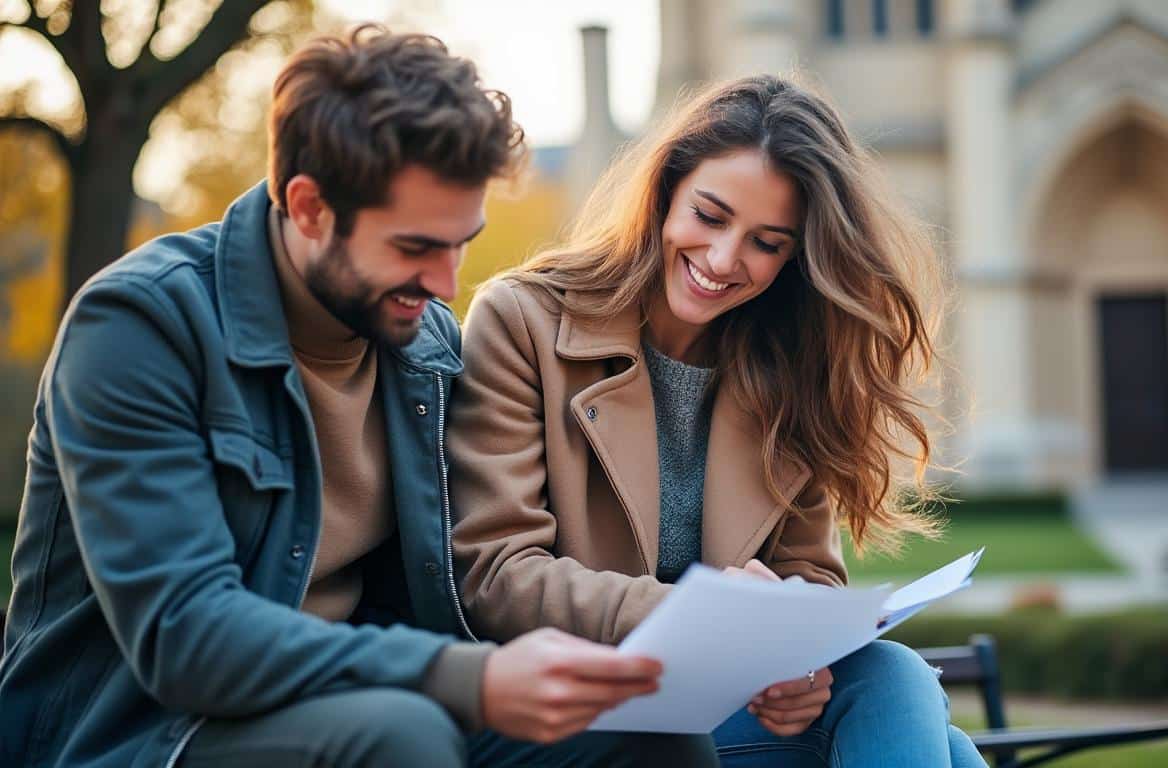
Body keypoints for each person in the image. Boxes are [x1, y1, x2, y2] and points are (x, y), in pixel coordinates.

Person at [0, 25, 719, 768]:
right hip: (148, 733)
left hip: (368, 701)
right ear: (309, 207)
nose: (447, 285)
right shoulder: (141, 327)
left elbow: (457, 584)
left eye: (460, 242)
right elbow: (186, 635)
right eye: (414, 247)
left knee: (647, 727)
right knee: (399, 736)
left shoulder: (427, 346)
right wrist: (466, 678)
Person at [446, 75, 990, 767]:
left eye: (766, 242)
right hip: (581, 714)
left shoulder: (793, 364)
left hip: (719, 712)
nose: (724, 259)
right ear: (665, 191)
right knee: (941, 738)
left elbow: (809, 581)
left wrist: (800, 674)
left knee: (890, 675)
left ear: (796, 254)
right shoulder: (524, 321)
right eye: (709, 216)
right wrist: (699, 615)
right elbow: (497, 574)